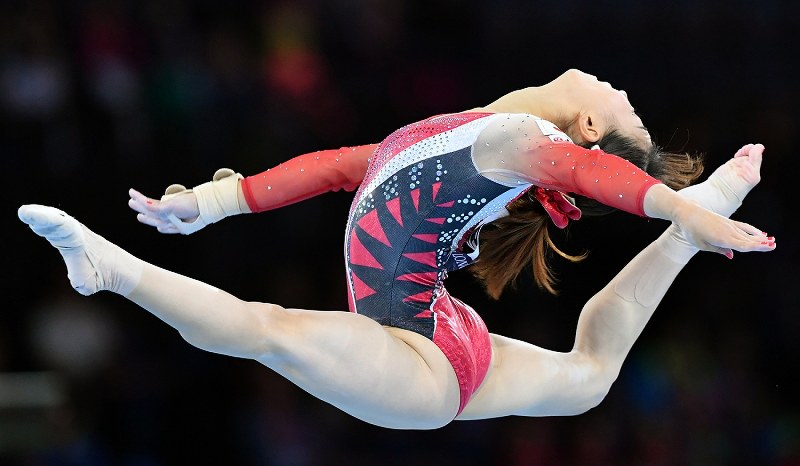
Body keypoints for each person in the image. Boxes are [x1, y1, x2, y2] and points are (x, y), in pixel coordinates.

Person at [19, 69, 775, 430]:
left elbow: (592, 173)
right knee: (589, 375)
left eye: (626, 107)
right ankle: (688, 235)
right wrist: (210, 203)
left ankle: (108, 267)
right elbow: (340, 168)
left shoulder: (527, 141)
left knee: (269, 331)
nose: (619, 88)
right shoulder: (467, 129)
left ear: (582, 122)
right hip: (440, 334)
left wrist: (681, 206)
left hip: (416, 363)